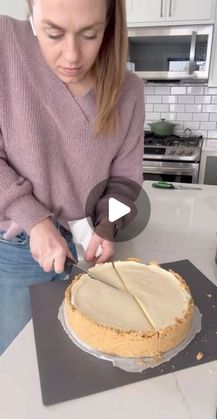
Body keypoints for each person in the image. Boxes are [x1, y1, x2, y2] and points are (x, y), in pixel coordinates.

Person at [0, 0, 144, 355]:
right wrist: (35, 220)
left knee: (81, 362)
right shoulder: (5, 46)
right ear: (32, 16)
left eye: (90, 34)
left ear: (110, 24)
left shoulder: (129, 91)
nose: (72, 55)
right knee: (19, 366)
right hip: (15, 248)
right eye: (53, 33)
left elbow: (125, 181)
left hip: (88, 249)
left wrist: (108, 224)